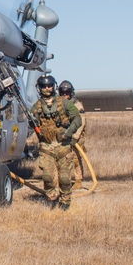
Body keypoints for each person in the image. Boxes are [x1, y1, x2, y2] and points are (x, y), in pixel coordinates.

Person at [32, 74, 82, 208]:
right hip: (46, 147)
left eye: (49, 86)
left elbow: (77, 119)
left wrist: (69, 132)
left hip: (63, 146)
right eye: (44, 86)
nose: (47, 89)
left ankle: (65, 201)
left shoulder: (64, 103)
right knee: (47, 177)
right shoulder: (36, 107)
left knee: (65, 178)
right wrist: (33, 123)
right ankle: (53, 196)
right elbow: (32, 124)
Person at [59, 80, 87, 188]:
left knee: (76, 158)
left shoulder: (77, 105)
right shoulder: (59, 104)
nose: (65, 95)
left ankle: (78, 180)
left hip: (76, 136)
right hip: (64, 135)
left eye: (67, 93)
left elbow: (81, 122)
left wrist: (75, 137)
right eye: (63, 93)